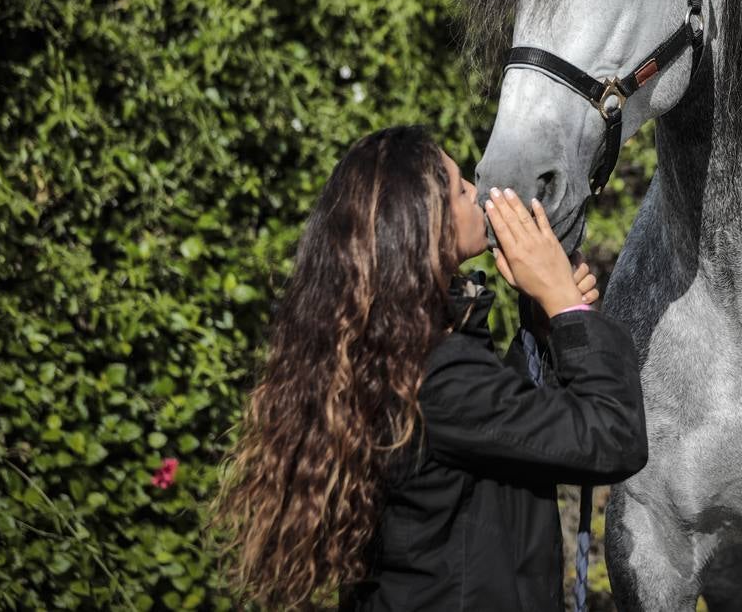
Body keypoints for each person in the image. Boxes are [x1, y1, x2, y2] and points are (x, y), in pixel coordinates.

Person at [211, 125, 647, 611]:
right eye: (461, 189)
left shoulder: (400, 358)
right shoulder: (438, 377)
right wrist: (566, 304)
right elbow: (613, 437)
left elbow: (500, 431)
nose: (478, 195)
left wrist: (546, 329)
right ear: (426, 226)